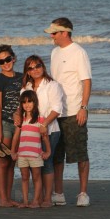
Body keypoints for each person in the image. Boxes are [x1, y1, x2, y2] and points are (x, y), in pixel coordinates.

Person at [44, 17, 92, 207]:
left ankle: (82, 193)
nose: (52, 36)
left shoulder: (78, 52)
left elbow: (86, 81)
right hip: (56, 112)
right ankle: (59, 193)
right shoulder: (54, 52)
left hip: (74, 111)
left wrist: (83, 107)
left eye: (54, 33)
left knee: (80, 153)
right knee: (57, 155)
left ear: (65, 32)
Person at [20, 55, 63, 208]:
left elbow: (57, 109)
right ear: (27, 72)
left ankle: (47, 199)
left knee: (46, 162)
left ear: (43, 67)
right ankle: (36, 199)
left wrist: (44, 124)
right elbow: (22, 109)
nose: (35, 69)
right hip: (31, 132)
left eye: (38, 66)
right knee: (34, 165)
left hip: (50, 129)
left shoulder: (52, 85)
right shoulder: (26, 88)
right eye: (31, 68)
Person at [0, 44, 24, 207]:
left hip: (18, 126)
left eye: (8, 59)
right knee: (3, 162)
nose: (5, 63)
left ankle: (8, 198)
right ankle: (3, 199)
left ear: (14, 58)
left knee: (11, 162)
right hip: (3, 124)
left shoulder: (23, 77)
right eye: (1, 61)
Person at [10, 90, 51, 208]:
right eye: (24, 103)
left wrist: (48, 151)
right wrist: (13, 151)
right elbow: (16, 137)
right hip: (22, 154)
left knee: (37, 177)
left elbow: (45, 137)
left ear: (35, 103)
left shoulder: (40, 120)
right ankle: (26, 201)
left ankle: (35, 201)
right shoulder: (20, 120)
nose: (27, 105)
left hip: (35, 154)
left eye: (30, 102)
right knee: (24, 177)